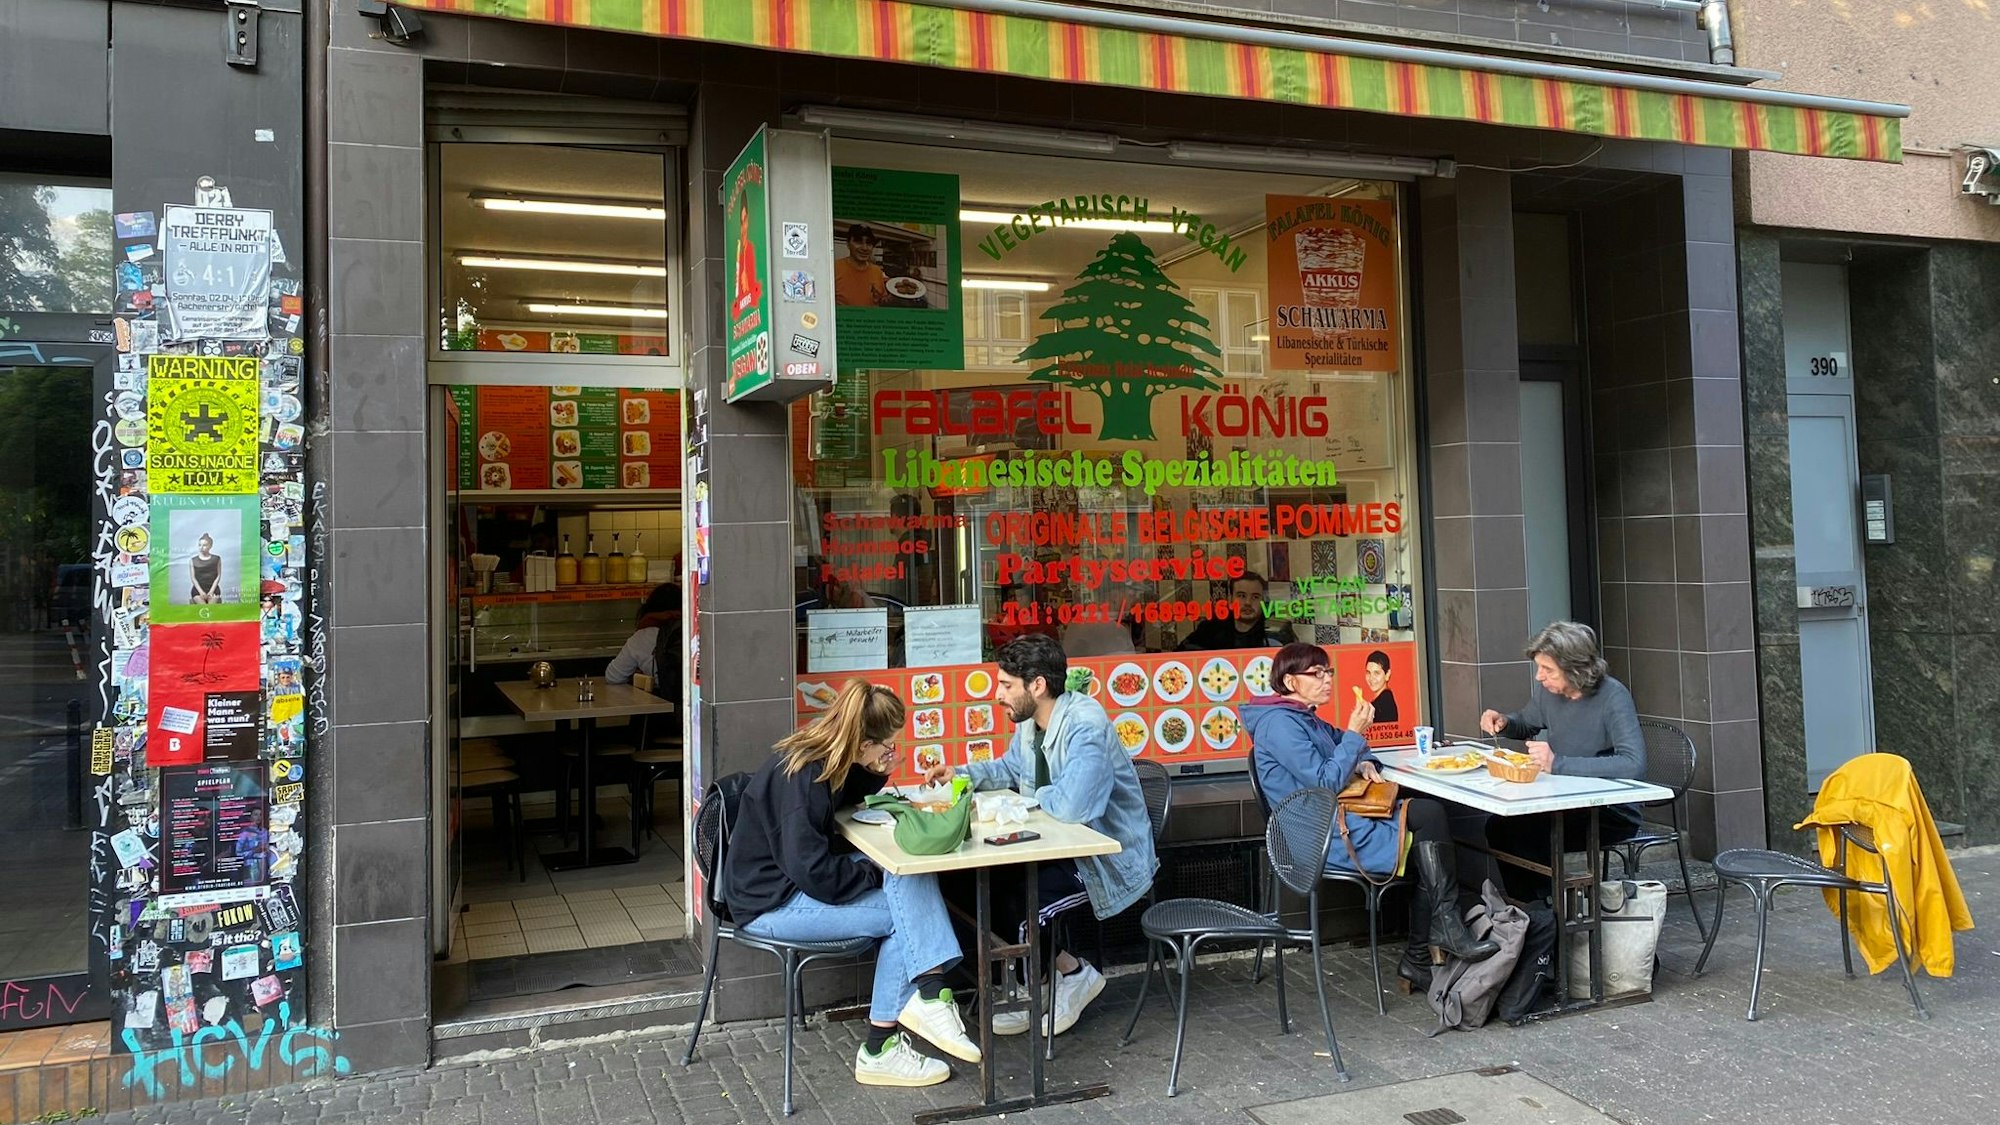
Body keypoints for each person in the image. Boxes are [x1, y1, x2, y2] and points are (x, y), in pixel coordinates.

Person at [723, 680, 980, 1088]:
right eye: (886, 746)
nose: (889, 752)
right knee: (904, 913)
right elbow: (817, 874)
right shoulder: (802, 777)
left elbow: (843, 798)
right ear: (862, 743)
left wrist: (881, 770)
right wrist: (873, 872)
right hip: (769, 904)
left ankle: (924, 1002)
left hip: (789, 885)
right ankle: (902, 1025)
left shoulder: (823, 757)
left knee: (909, 879)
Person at [923, 634, 1158, 1037]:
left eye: (1006, 685)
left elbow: (1072, 808)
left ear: (1037, 685)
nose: (998, 695)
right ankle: (1056, 975)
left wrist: (1029, 799)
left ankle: (1057, 981)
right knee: (973, 887)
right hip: (1049, 847)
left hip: (1105, 861)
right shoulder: (1031, 723)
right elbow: (1011, 770)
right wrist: (959, 775)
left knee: (1025, 901)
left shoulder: (1085, 725)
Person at [1242, 642, 1498, 994]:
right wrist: (1354, 733)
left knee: (1429, 814)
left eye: (1329, 671)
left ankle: (1432, 944)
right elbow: (1325, 781)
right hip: (1318, 836)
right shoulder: (1280, 726)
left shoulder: (1302, 717)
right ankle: (1433, 942)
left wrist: (1363, 761)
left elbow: (1352, 750)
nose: (1327, 679)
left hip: (1336, 819)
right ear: (1290, 681)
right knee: (1429, 830)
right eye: (1317, 674)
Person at [1478, 620, 1647, 902]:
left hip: (1609, 809)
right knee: (1500, 827)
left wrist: (1558, 764)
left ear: (1576, 669)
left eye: (1548, 670)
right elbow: (1527, 722)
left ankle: (1552, 912)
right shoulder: (1549, 693)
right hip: (1562, 799)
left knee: (1529, 833)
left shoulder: (1613, 696)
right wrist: (1505, 722)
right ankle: (1535, 911)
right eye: (1539, 668)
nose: (1539, 677)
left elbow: (1633, 763)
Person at [1177, 571, 1293, 651]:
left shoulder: (1277, 630)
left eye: (1255, 597)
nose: (1248, 602)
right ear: (1230, 599)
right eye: (1241, 596)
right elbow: (1181, 655)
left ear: (1264, 601)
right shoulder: (1211, 628)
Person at [833, 224, 890, 307]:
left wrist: (894, 296)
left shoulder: (877, 271)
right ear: (848, 244)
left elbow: (881, 301)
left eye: (869, 243)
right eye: (858, 242)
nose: (864, 248)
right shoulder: (834, 268)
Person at [1362, 649, 1400, 724]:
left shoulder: (1384, 704)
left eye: (1377, 673)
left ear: (1387, 674)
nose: (1371, 678)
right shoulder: (1382, 701)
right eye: (1368, 673)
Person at [189, 534, 222, 604]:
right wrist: (201, 592)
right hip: (198, 590)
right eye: (199, 545)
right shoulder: (193, 560)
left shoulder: (217, 559)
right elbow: (193, 578)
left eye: (204, 545)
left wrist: (211, 591)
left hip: (213, 588)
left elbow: (218, 576)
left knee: (211, 608)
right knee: (203, 607)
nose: (201, 547)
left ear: (210, 546)